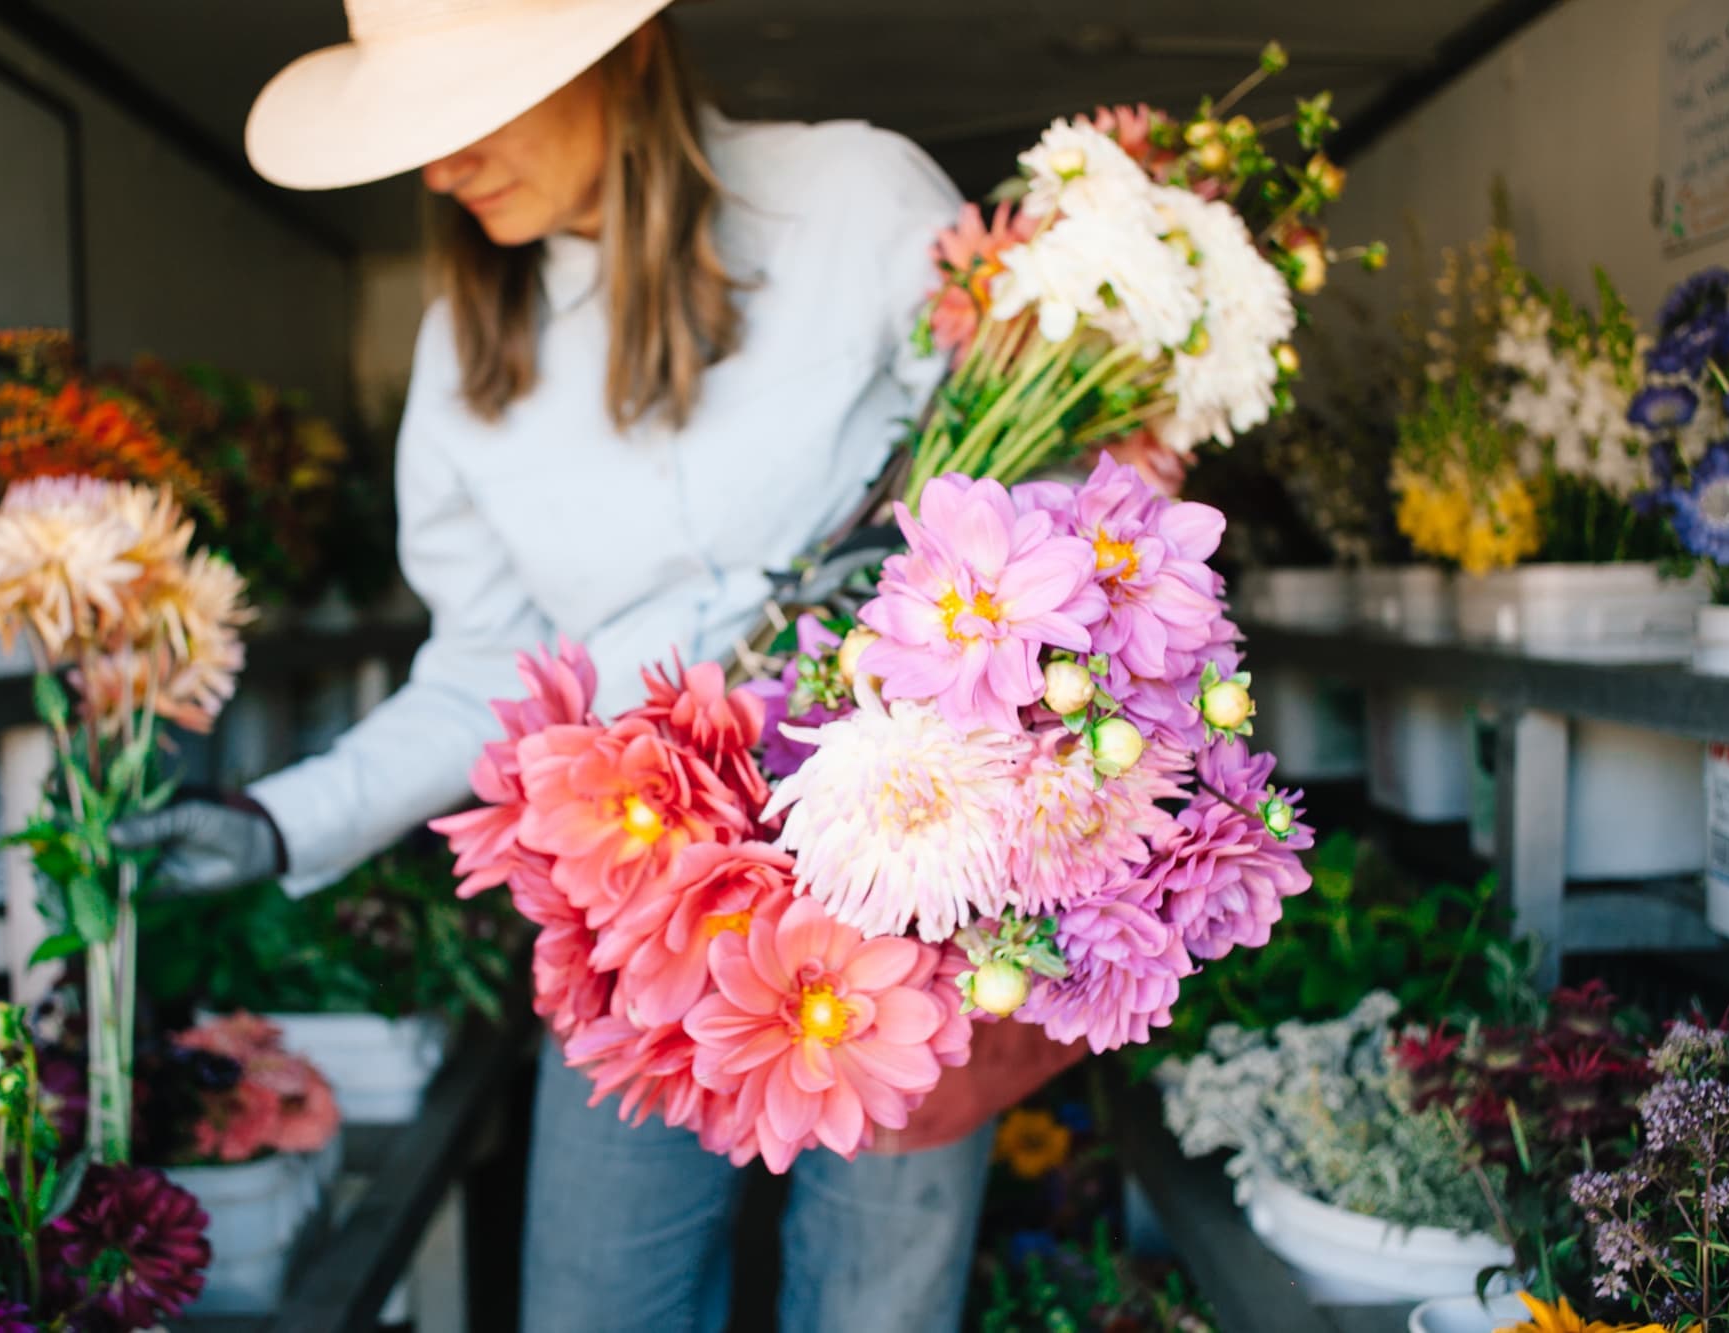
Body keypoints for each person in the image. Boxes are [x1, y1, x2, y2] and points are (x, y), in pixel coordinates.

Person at [113, 2, 1086, 1329]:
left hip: (904, 898)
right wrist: (277, 820)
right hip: (643, 917)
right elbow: (487, 673)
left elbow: (1044, 510)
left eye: (465, 113)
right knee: (591, 1307)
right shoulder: (469, 345)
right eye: (419, 130)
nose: (439, 168)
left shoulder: (856, 200)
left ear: (610, 56)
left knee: (879, 1313)